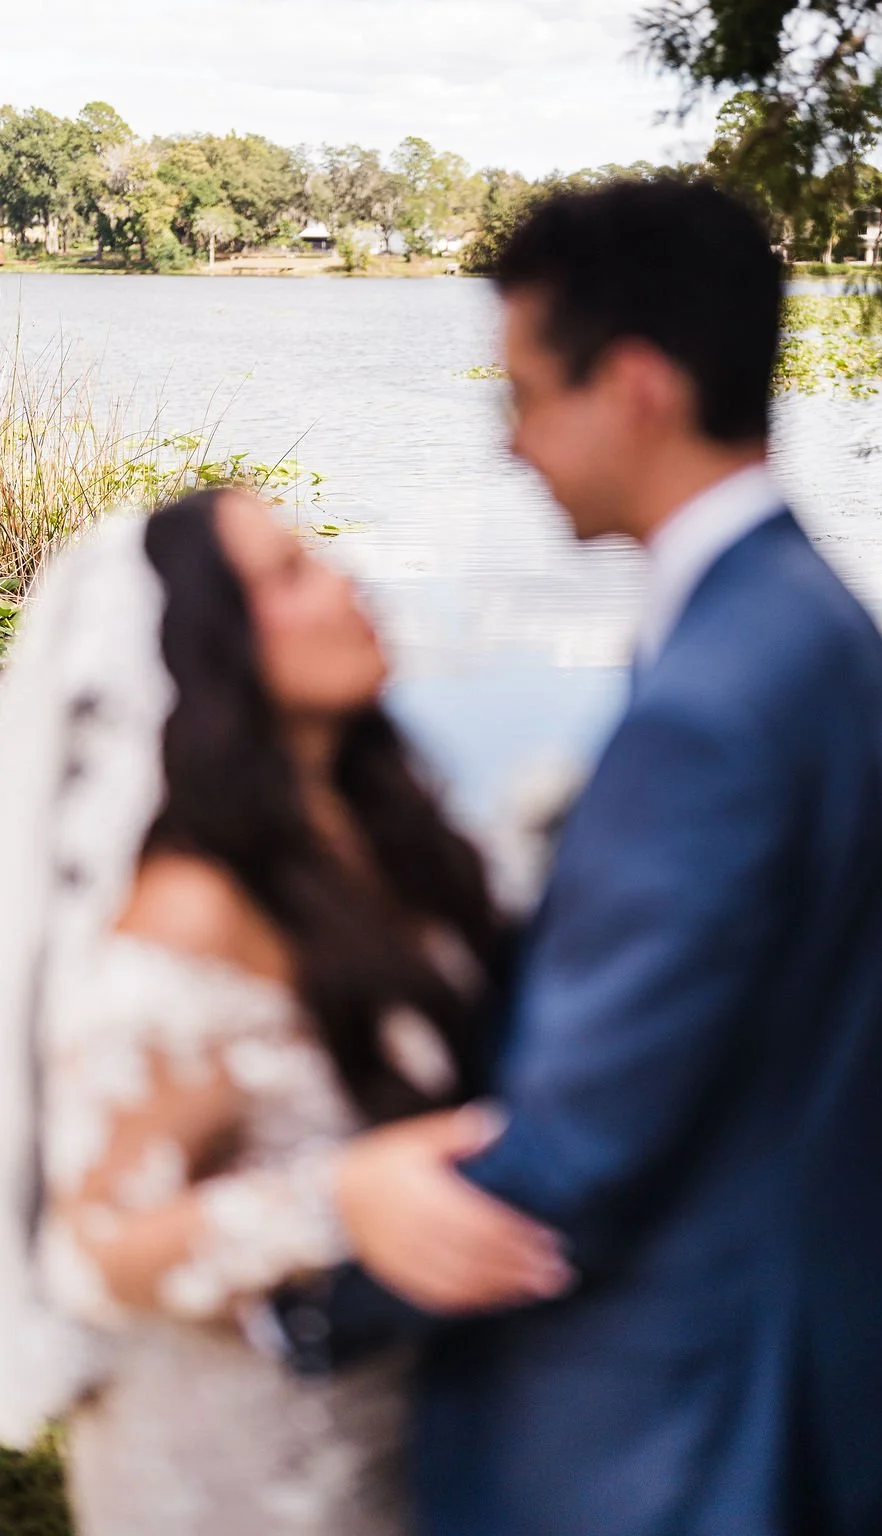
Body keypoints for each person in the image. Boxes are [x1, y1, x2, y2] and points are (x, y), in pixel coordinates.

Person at [305, 180, 882, 1536]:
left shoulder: (715, 705)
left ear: (633, 386)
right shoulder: (804, 623)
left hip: (690, 1425)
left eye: (523, 392)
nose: (512, 444)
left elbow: (587, 1131)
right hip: (799, 1351)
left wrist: (305, 1286)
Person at [0, 491, 566, 1536]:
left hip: (407, 1416)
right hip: (242, 1465)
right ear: (209, 649)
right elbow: (91, 1248)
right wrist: (342, 1201)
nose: (347, 583)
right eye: (290, 575)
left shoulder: (378, 832)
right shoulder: (182, 918)